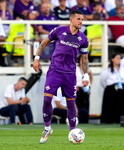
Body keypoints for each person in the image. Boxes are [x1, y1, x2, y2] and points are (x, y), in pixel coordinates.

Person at [33, 10, 89, 143]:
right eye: (79, 19)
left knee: (71, 104)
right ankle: (47, 128)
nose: (81, 22)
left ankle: (73, 132)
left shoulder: (83, 39)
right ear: (71, 20)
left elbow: (85, 59)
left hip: (70, 74)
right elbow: (44, 43)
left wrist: (85, 75)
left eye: (82, 19)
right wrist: (36, 58)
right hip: (55, 71)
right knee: (47, 100)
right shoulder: (59, 31)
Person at [100, 53, 124, 123]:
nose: (119, 60)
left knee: (121, 106)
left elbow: (123, 79)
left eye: (120, 58)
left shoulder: (122, 70)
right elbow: (103, 80)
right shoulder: (107, 70)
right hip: (111, 90)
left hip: (120, 89)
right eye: (117, 58)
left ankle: (120, 120)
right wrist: (109, 87)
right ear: (112, 59)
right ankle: (109, 120)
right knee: (110, 106)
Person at [76, 54, 93, 123]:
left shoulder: (88, 70)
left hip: (85, 90)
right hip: (78, 89)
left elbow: (91, 77)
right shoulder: (76, 69)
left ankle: (86, 121)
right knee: (79, 107)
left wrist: (89, 85)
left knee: (86, 106)